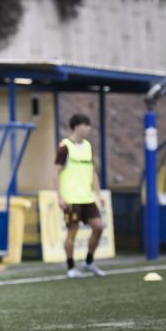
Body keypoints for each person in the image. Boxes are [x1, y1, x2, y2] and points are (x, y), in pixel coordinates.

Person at [54, 114, 107, 278]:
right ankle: (71, 267)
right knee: (72, 231)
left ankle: (88, 262)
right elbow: (55, 172)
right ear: (76, 126)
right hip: (71, 198)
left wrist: (99, 194)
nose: (89, 128)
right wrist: (60, 197)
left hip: (88, 197)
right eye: (86, 125)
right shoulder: (65, 146)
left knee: (98, 227)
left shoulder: (88, 147)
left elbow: (93, 172)